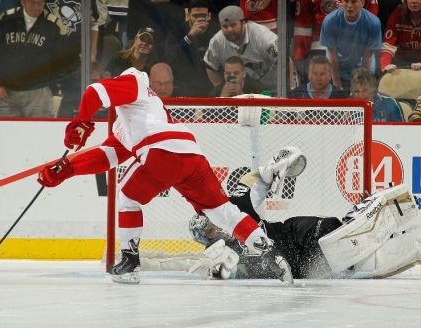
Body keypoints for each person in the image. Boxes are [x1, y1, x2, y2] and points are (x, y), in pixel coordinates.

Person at [36, 67, 293, 285]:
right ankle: (271, 254)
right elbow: (108, 157)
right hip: (191, 156)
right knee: (222, 212)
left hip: (162, 152)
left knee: (127, 198)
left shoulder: (135, 80)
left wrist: (81, 120)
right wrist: (68, 169)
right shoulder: (128, 120)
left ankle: (130, 262)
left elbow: (94, 92)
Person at [186, 147, 421, 280]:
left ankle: (367, 220)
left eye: (207, 223)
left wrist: (273, 168)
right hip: (298, 266)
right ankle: (415, 240)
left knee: (334, 244)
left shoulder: (234, 206)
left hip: (297, 235)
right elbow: (227, 271)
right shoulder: (223, 252)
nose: (212, 228)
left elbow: (258, 182)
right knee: (353, 264)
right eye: (206, 232)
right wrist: (218, 272)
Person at [0, 0, 61, 117]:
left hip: (39, 93)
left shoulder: (52, 24)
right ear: (23, 2)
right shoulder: (6, 20)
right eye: (33, 3)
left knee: (38, 133)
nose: (37, 7)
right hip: (7, 92)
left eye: (41, 3)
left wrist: (52, 86)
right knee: (6, 133)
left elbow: (61, 59)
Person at [203, 5, 278, 93]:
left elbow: (285, 61)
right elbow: (210, 66)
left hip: (270, 90)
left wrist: (290, 89)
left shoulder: (263, 37)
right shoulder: (216, 42)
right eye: (225, 26)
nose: (229, 30)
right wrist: (220, 88)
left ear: (244, 22)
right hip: (238, 91)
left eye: (233, 25)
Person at [319, 0, 382, 91]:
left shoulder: (373, 22)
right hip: (337, 65)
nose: (349, 6)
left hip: (363, 65)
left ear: (362, 3)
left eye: (353, 2)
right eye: (346, 1)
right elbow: (332, 56)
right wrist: (337, 84)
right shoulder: (330, 20)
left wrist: (363, 84)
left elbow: (367, 57)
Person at [164, 0, 218, 97]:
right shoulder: (177, 32)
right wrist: (189, 37)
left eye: (203, 15)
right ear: (188, 15)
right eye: (195, 16)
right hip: (184, 86)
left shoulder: (216, 32)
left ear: (209, 16)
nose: (199, 19)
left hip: (211, 86)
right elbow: (170, 59)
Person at [380, 0, 421, 77]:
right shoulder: (397, 14)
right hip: (402, 60)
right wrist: (385, 65)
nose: (414, 1)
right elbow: (388, 45)